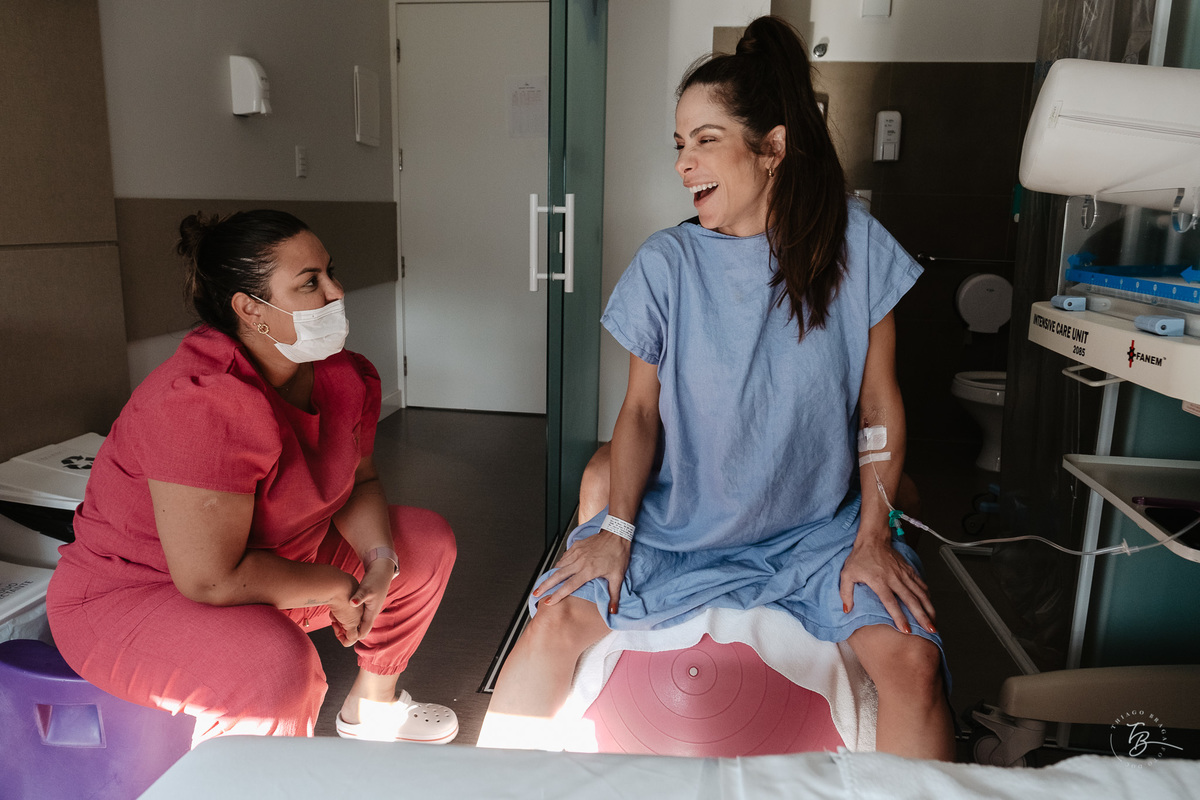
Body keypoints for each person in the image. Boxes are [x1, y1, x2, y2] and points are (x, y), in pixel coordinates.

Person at [484, 16, 954, 760]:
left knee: (913, 662)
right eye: (679, 144)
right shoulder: (666, 264)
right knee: (549, 629)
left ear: (772, 148)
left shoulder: (855, 247)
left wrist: (872, 538)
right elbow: (638, 414)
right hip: (678, 530)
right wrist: (614, 533)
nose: (684, 163)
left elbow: (877, 406)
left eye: (705, 139)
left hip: (814, 533)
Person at [46, 210, 458, 745]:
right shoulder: (201, 402)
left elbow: (361, 483)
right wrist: (335, 586)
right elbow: (210, 578)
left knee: (421, 544)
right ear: (250, 310)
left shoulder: (341, 373)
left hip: (273, 558)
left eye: (331, 272)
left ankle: (372, 712)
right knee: (274, 666)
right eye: (311, 282)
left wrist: (380, 562)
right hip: (140, 591)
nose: (336, 292)